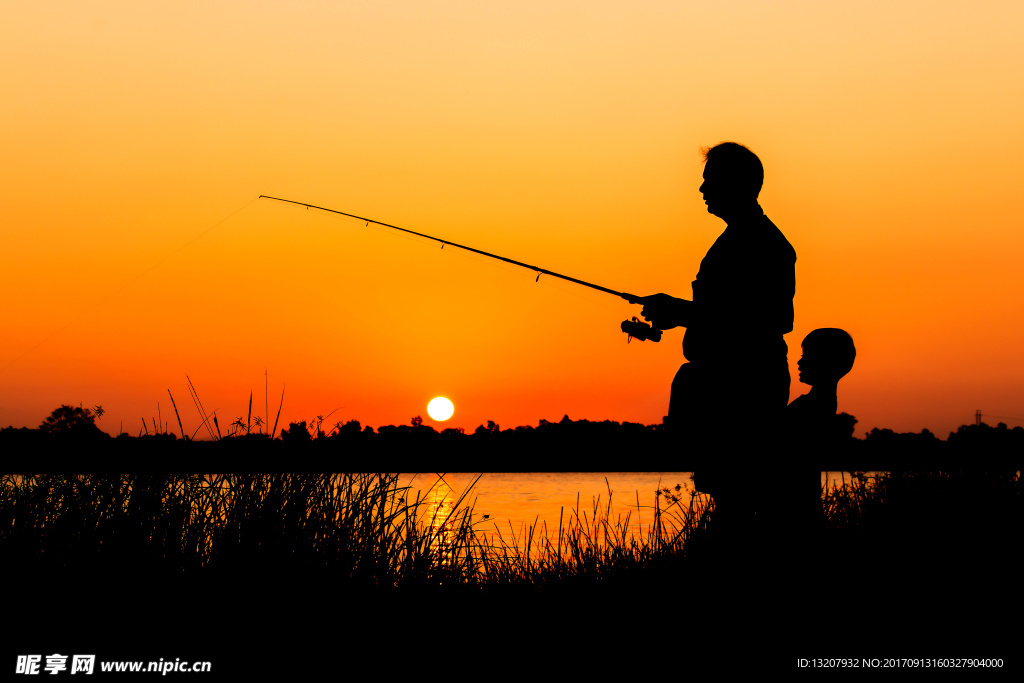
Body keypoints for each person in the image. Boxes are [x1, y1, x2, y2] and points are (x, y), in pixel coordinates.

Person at [632, 142, 796, 544]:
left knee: (739, 498)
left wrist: (683, 312)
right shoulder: (735, 240)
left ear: (736, 184)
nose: (702, 190)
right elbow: (725, 313)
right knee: (731, 497)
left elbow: (770, 319)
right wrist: (677, 314)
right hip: (724, 388)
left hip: (743, 390)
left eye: (709, 181)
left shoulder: (762, 243)